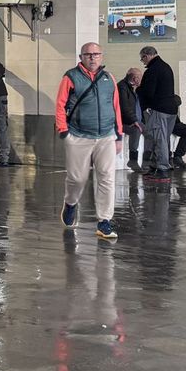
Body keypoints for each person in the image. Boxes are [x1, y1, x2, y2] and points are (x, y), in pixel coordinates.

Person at [55, 43, 122, 241]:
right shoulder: (70, 77)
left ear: (101, 56)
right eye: (88, 54)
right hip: (78, 135)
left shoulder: (109, 78)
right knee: (77, 178)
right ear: (81, 57)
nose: (92, 58)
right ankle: (70, 203)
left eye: (96, 54)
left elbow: (116, 107)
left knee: (107, 178)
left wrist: (119, 135)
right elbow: (60, 104)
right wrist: (63, 130)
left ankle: (104, 221)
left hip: (106, 136)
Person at [136, 45, 179, 182]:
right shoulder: (166, 67)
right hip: (171, 109)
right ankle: (159, 166)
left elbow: (148, 92)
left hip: (160, 109)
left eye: (142, 59)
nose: (143, 62)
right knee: (164, 139)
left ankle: (162, 169)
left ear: (147, 56)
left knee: (158, 139)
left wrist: (138, 90)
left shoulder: (153, 70)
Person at [118, 68, 143, 169]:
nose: (141, 80)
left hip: (132, 120)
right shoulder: (122, 87)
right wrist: (134, 120)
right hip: (123, 122)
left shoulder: (131, 88)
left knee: (151, 132)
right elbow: (124, 107)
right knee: (136, 130)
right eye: (140, 78)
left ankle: (149, 161)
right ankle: (133, 160)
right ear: (135, 78)